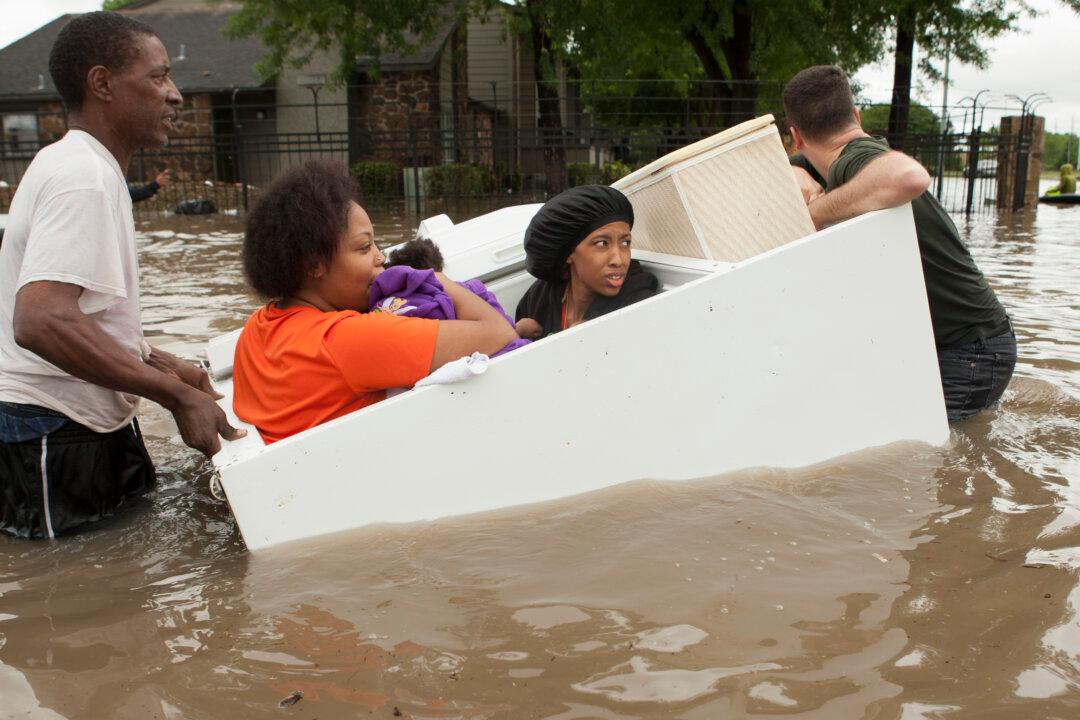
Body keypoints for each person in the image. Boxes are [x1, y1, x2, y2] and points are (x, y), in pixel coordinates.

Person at [0, 12, 244, 539]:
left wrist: (161, 363)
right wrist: (175, 396)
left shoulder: (86, 167)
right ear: (103, 83)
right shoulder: (82, 177)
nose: (175, 95)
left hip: (84, 418)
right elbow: (40, 320)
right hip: (53, 426)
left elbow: (86, 314)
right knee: (72, 603)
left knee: (125, 579)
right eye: (158, 77)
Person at [782, 65, 1016, 423]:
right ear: (856, 116)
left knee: (931, 463)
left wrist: (817, 212)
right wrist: (796, 170)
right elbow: (795, 163)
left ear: (796, 135)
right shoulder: (847, 159)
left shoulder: (854, 161)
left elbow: (909, 176)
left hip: (971, 350)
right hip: (975, 343)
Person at [232, 161, 517, 444]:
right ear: (313, 264)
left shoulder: (256, 328)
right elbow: (500, 333)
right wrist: (432, 278)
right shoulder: (348, 338)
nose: (381, 257)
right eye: (364, 247)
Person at [514, 184, 659, 339]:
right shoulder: (539, 299)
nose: (618, 260)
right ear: (568, 253)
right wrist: (516, 339)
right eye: (602, 243)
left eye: (625, 243)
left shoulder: (637, 306)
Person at [371, 238, 530, 356]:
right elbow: (506, 331)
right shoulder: (464, 290)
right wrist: (518, 329)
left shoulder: (379, 306)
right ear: (438, 271)